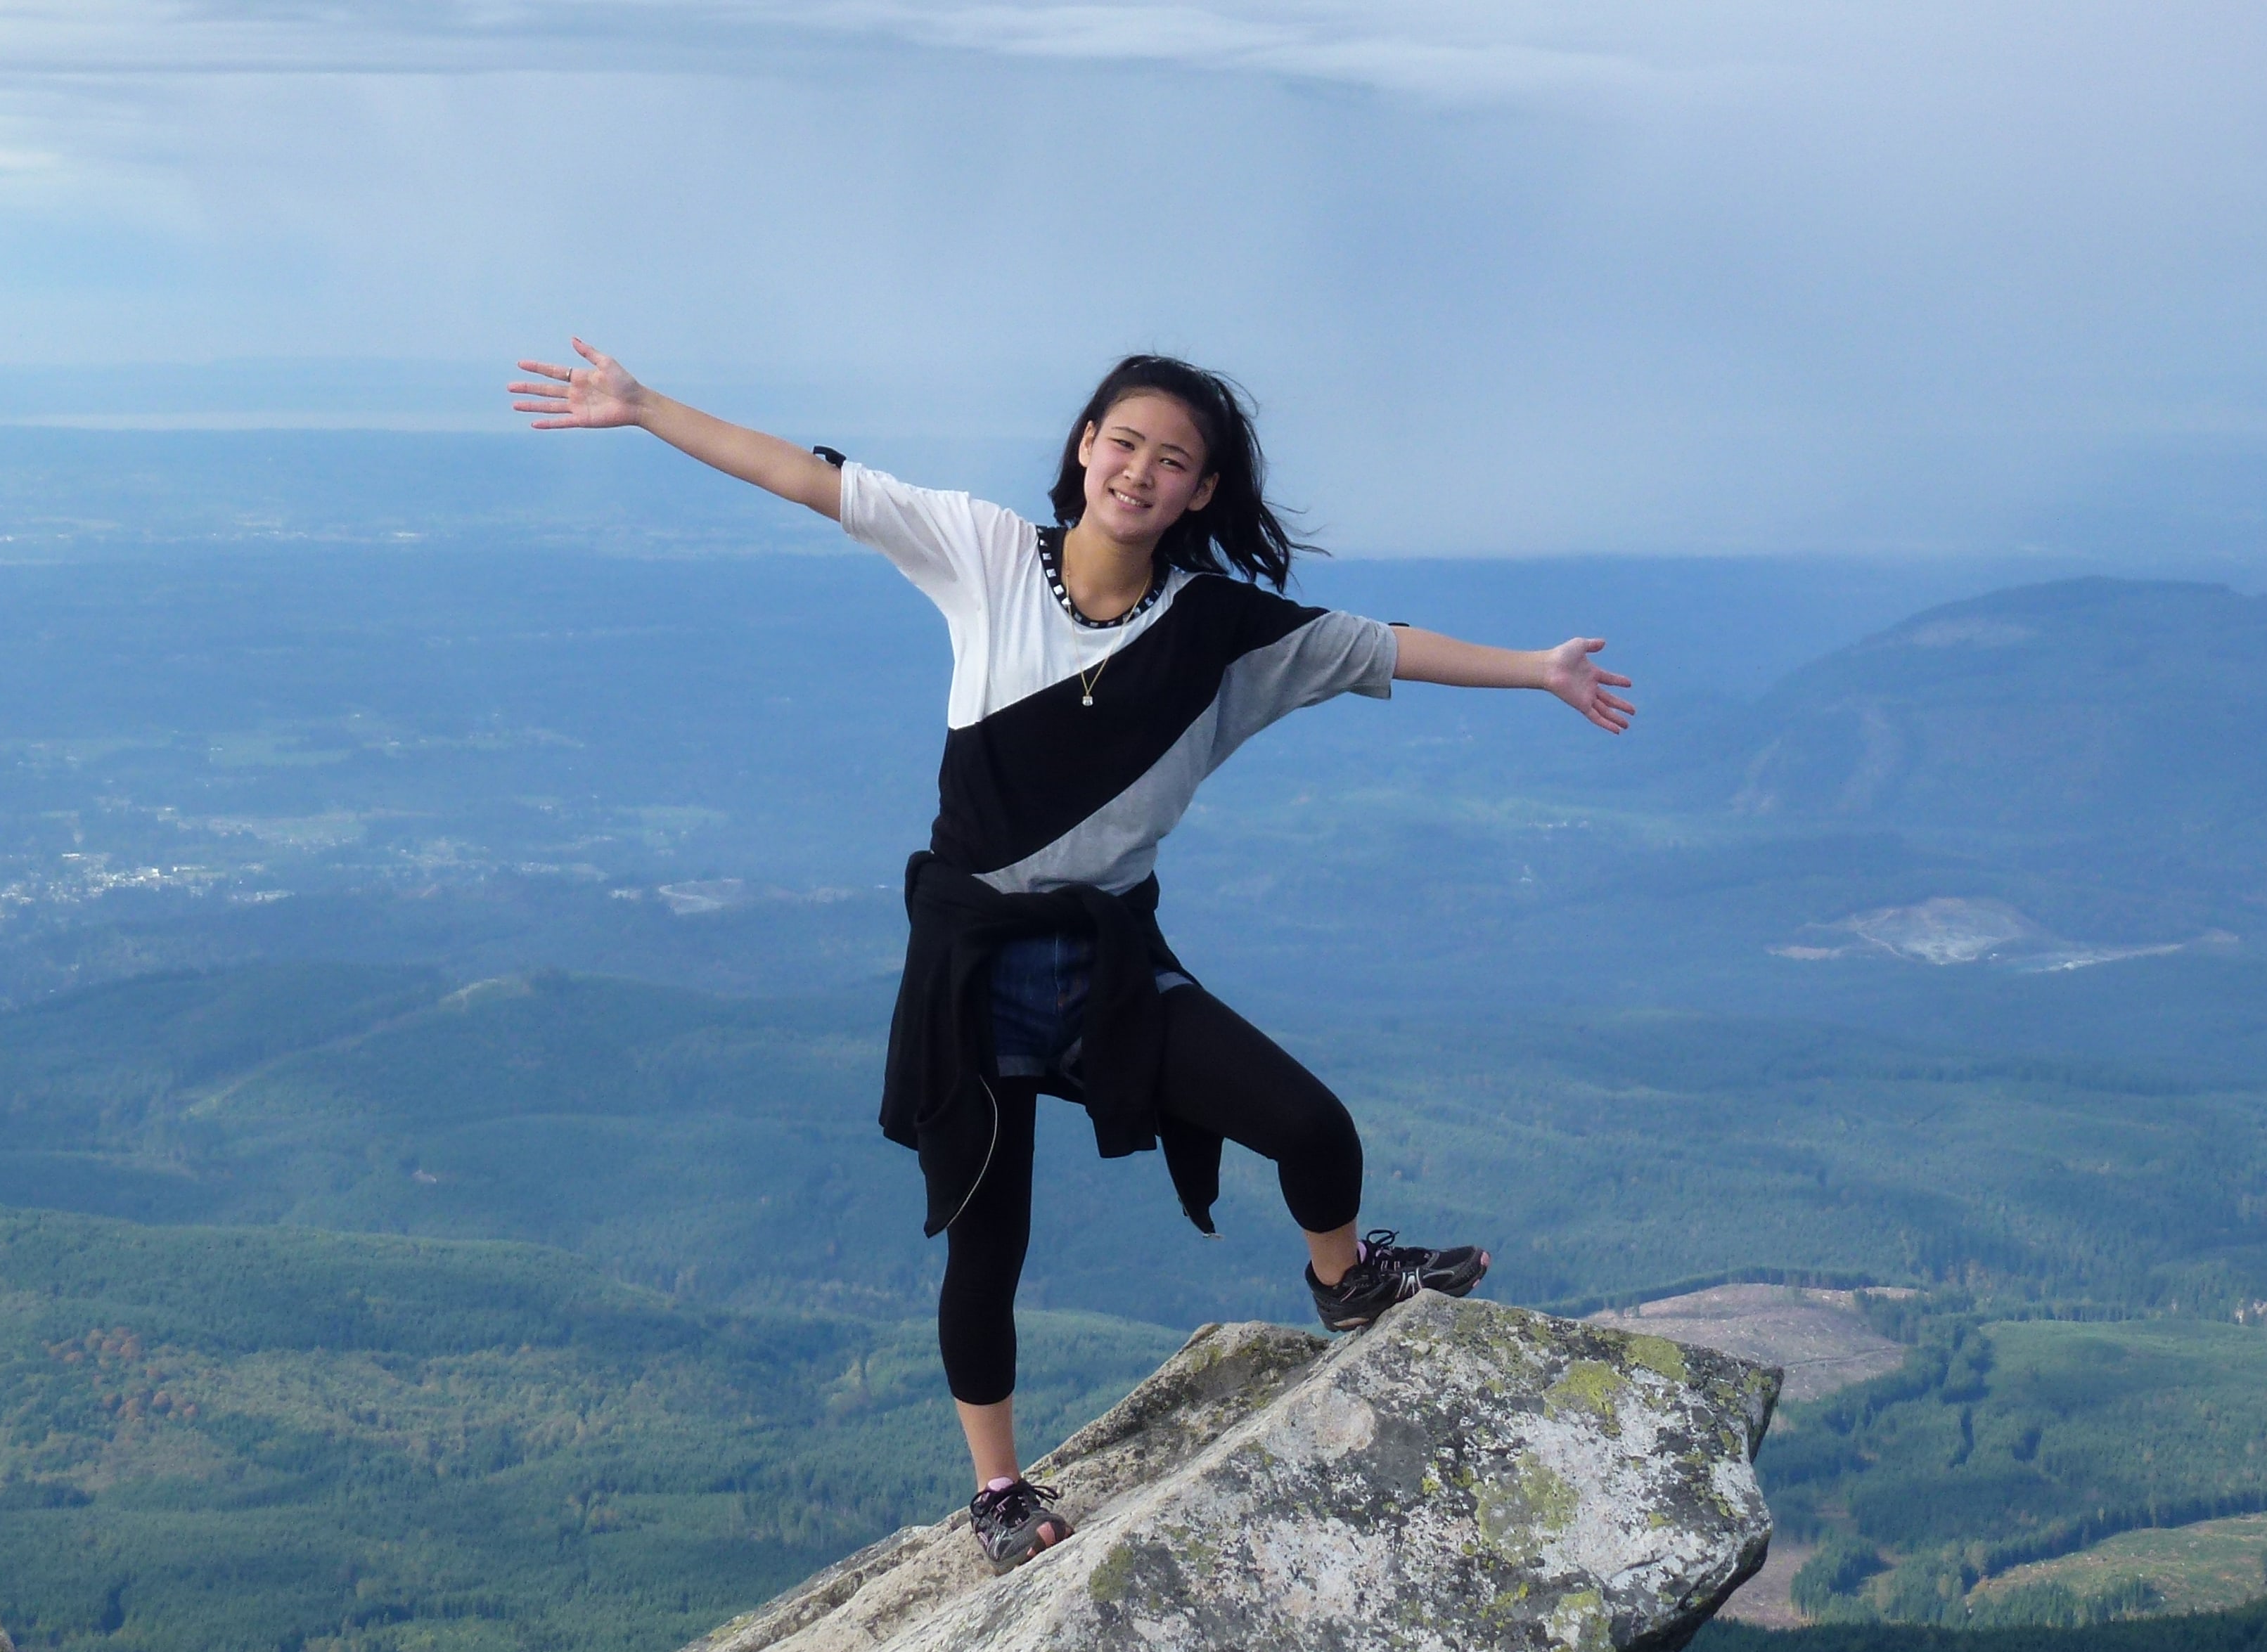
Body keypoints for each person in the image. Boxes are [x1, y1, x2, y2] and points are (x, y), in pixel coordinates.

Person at [508, 341, 1635, 1574]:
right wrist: (641, 407)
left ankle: (1345, 1278)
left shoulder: (1221, 631)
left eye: (1172, 461)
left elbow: (1378, 645)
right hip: (969, 970)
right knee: (985, 1247)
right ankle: (995, 1489)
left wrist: (1536, 671)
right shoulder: (984, 551)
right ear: (1083, 448)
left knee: (1315, 1130)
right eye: (1123, 442)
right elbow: (806, 477)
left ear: (1202, 493)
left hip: (1104, 964)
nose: (1139, 471)